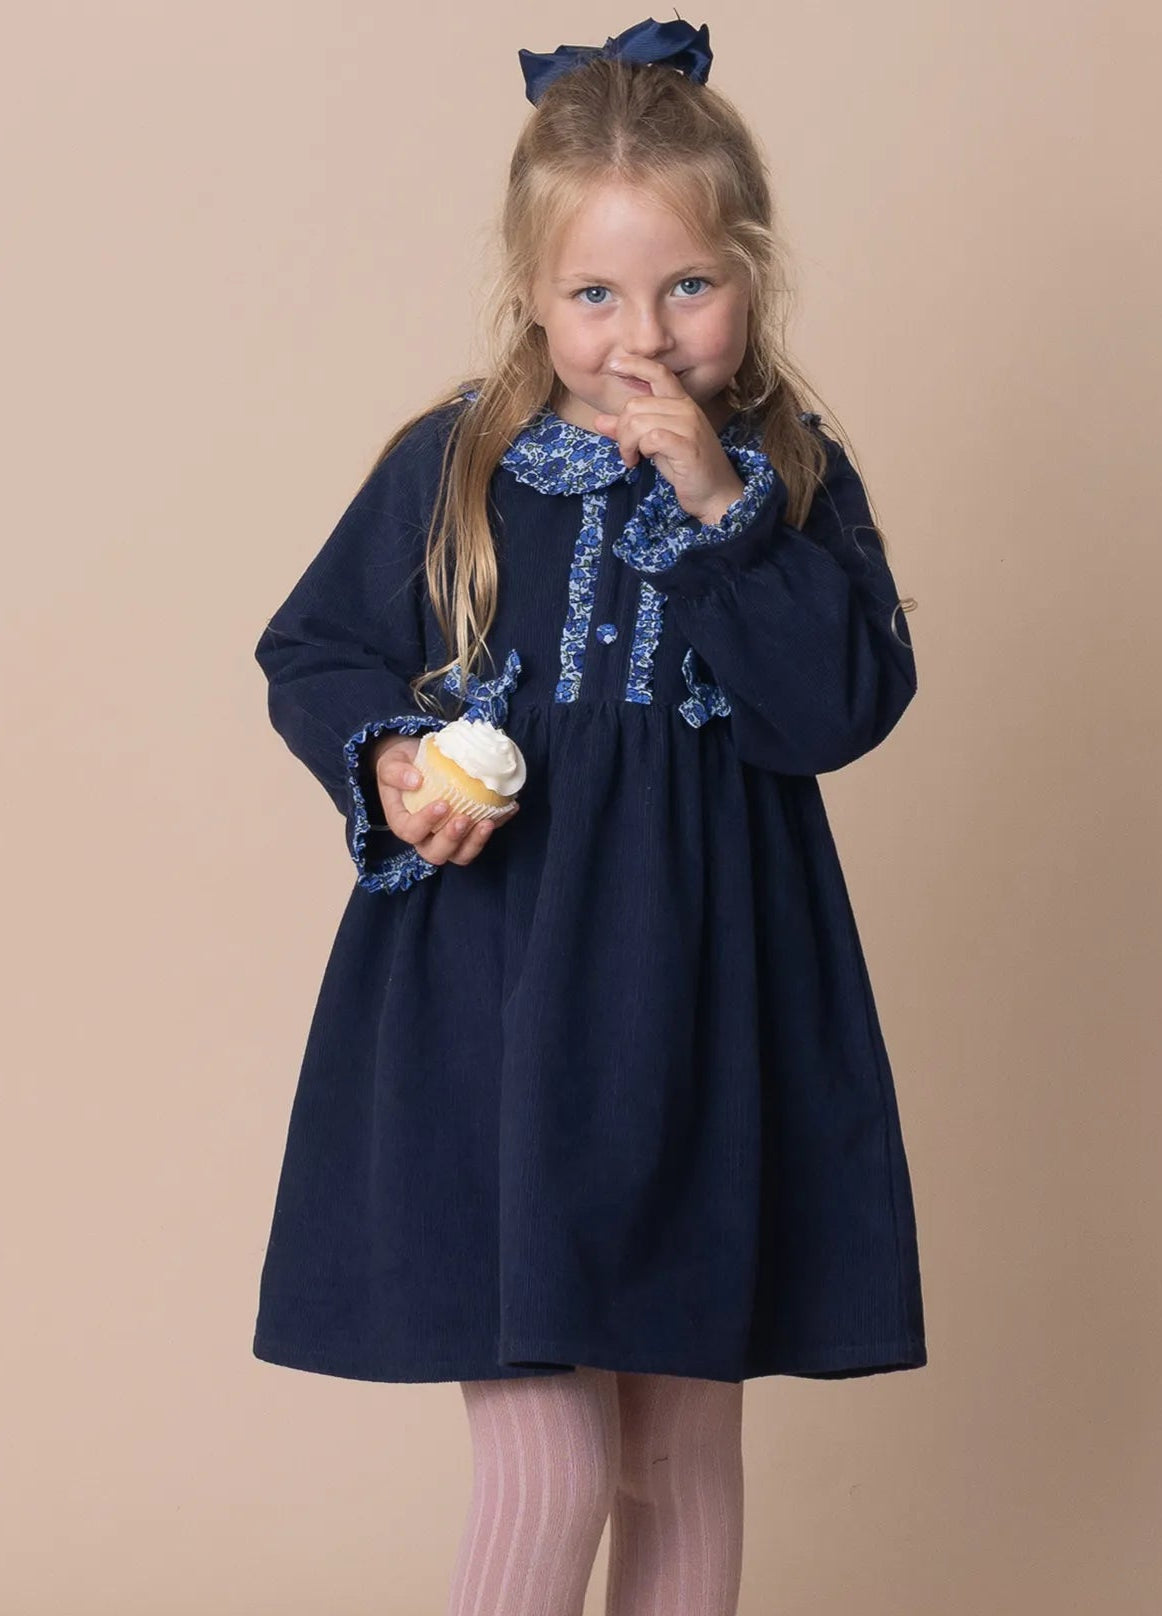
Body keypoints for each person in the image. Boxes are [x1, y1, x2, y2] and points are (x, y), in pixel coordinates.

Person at [250, 16, 928, 1615]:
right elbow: (315, 648)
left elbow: (841, 709)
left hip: (710, 1010)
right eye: (595, 296)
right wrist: (394, 758)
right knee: (551, 1458)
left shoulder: (790, 478)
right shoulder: (458, 464)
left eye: (687, 286)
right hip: (501, 1008)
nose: (646, 334)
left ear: (750, 276)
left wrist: (718, 514)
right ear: (533, 297)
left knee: (679, 1456)